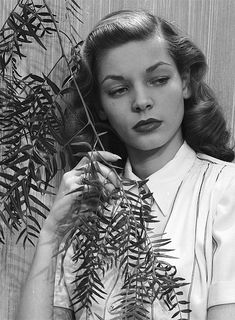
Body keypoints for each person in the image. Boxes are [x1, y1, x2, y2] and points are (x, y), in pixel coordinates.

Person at [17, 9, 235, 320]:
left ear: (185, 83)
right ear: (100, 108)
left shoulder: (226, 191)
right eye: (118, 90)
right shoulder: (87, 208)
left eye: (158, 79)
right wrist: (53, 230)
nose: (141, 101)